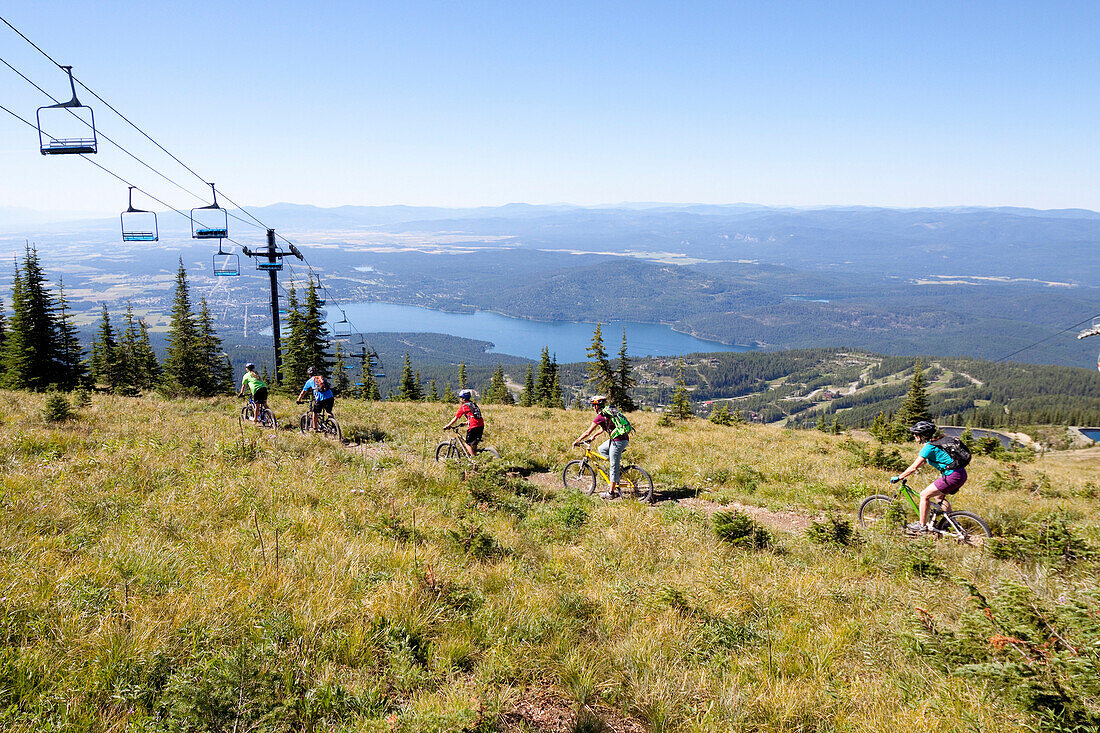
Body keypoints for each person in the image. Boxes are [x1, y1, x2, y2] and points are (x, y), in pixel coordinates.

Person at [891, 421, 968, 533]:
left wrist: (899, 477)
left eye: (916, 434)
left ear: (923, 435)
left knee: (924, 495)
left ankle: (922, 526)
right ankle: (950, 523)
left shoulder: (929, 447)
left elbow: (914, 467)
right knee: (939, 498)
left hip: (952, 476)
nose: (914, 436)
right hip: (961, 474)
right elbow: (926, 461)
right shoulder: (937, 442)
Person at [573, 395, 630, 500]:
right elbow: (604, 428)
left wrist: (577, 440)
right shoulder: (607, 413)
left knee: (613, 467)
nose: (593, 408)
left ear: (596, 406)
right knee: (601, 449)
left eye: (593, 405)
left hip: (618, 441)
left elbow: (587, 431)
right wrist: (593, 437)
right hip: (621, 439)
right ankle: (618, 468)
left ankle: (611, 492)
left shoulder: (600, 416)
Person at [442, 388, 484, 457]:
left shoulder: (464, 406)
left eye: (461, 398)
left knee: (467, 443)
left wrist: (448, 425)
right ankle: (475, 457)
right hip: (481, 425)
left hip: (473, 426)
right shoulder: (473, 405)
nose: (460, 399)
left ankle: (474, 460)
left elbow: (456, 418)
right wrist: (466, 422)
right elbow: (475, 416)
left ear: (464, 398)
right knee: (473, 444)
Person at [296, 366, 334, 431]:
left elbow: (303, 393)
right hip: (330, 396)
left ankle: (315, 428)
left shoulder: (309, 381)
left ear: (309, 374)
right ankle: (334, 426)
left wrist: (298, 400)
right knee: (328, 412)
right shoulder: (321, 378)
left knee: (315, 412)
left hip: (320, 399)